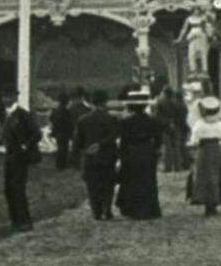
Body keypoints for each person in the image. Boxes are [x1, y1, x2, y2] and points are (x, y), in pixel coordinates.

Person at [73, 90, 121, 220]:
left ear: (91, 102)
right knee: (108, 184)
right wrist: (102, 144)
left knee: (92, 185)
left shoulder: (82, 120)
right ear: (105, 102)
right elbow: (114, 136)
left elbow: (78, 142)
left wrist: (82, 152)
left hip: (90, 157)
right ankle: (107, 208)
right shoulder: (112, 119)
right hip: (107, 157)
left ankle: (96, 211)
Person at [116, 91, 163, 220]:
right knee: (148, 180)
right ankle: (149, 209)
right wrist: (155, 150)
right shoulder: (152, 120)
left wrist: (122, 155)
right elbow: (158, 139)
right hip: (147, 151)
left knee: (132, 180)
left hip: (131, 151)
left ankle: (133, 209)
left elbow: (123, 140)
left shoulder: (125, 122)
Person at [1, 91, 41, 232]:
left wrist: (25, 146)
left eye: (9, 96)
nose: (6, 99)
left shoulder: (23, 114)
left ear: (15, 97)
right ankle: (15, 220)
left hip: (20, 158)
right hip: (9, 156)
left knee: (18, 188)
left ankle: (24, 220)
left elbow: (37, 133)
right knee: (8, 188)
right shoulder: (5, 115)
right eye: (4, 96)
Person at [187, 96, 221, 216]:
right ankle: (215, 202)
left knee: (204, 176)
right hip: (216, 150)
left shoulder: (199, 125)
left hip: (204, 150)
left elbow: (194, 141)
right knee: (216, 176)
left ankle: (207, 203)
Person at [155, 87, 190, 173]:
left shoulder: (160, 102)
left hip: (166, 126)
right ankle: (177, 166)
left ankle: (168, 167)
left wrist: (167, 123)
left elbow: (158, 116)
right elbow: (180, 116)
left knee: (167, 148)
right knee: (176, 147)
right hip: (176, 126)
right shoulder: (178, 103)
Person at [49, 92, 74, 171]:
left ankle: (59, 165)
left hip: (57, 131)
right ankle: (62, 165)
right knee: (64, 149)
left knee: (60, 148)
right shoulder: (66, 111)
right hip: (64, 132)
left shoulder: (55, 110)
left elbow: (51, 118)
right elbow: (69, 122)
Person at [67, 87, 92, 168]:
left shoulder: (73, 108)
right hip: (82, 129)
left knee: (76, 147)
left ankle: (75, 162)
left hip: (77, 129)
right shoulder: (87, 108)